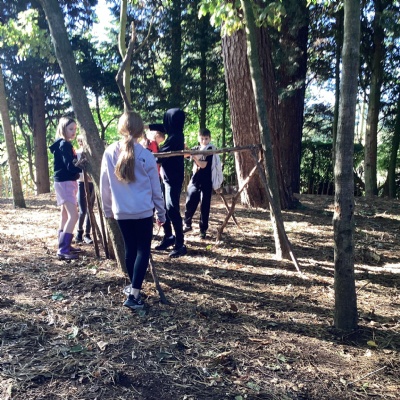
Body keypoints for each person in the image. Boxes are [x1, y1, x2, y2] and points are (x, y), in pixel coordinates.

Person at [100, 111, 166, 311]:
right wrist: (161, 212)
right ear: (140, 130)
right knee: (142, 250)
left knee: (130, 249)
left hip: (121, 212)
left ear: (121, 128)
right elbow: (156, 188)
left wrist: (108, 209)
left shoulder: (110, 152)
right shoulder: (146, 155)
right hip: (143, 211)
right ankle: (134, 294)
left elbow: (104, 185)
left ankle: (133, 288)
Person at [146, 108, 187, 258]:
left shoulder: (175, 137)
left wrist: (145, 154)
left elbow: (160, 156)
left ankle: (180, 244)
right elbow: (162, 126)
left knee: (172, 209)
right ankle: (169, 236)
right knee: (163, 207)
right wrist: (146, 126)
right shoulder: (174, 132)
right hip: (167, 177)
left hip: (173, 179)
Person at [49, 117, 83, 260]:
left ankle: (64, 244)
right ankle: (63, 249)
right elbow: (70, 165)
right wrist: (81, 165)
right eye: (70, 129)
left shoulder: (62, 144)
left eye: (75, 129)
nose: (73, 132)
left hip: (64, 182)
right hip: (65, 182)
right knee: (74, 215)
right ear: (63, 129)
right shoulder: (64, 145)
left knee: (64, 214)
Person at [183, 128, 214, 239]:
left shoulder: (210, 149)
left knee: (205, 206)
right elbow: (185, 155)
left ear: (210, 138)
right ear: (198, 138)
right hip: (195, 180)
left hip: (206, 181)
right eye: (202, 138)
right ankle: (187, 224)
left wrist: (194, 157)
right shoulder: (195, 149)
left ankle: (203, 230)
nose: (204, 141)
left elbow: (203, 165)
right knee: (190, 201)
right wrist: (185, 148)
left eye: (206, 138)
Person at [75, 135, 95, 244]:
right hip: (82, 184)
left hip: (92, 184)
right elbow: (77, 169)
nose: (82, 143)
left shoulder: (93, 153)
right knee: (82, 210)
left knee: (90, 210)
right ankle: (79, 233)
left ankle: (87, 234)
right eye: (80, 141)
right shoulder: (78, 153)